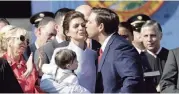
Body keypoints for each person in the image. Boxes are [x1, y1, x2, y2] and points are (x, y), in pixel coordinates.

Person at [86, 7, 144, 93]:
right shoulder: (105, 48)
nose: (86, 25)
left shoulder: (120, 47)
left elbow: (132, 79)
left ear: (100, 27)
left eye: (89, 22)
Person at [40, 11, 97, 93]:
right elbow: (45, 83)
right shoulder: (61, 52)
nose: (81, 28)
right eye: (76, 26)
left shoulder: (93, 54)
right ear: (67, 32)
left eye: (83, 25)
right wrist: (73, 90)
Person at [0, 26, 41, 93]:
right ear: (9, 41)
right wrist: (28, 72)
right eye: (22, 38)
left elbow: (35, 89)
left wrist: (39, 73)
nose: (25, 43)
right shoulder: (2, 64)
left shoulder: (28, 64)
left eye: (27, 41)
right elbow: (10, 89)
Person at [140, 20, 169, 92]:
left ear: (161, 36)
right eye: (146, 36)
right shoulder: (137, 60)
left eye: (153, 35)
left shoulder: (172, 57)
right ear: (141, 38)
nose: (149, 40)